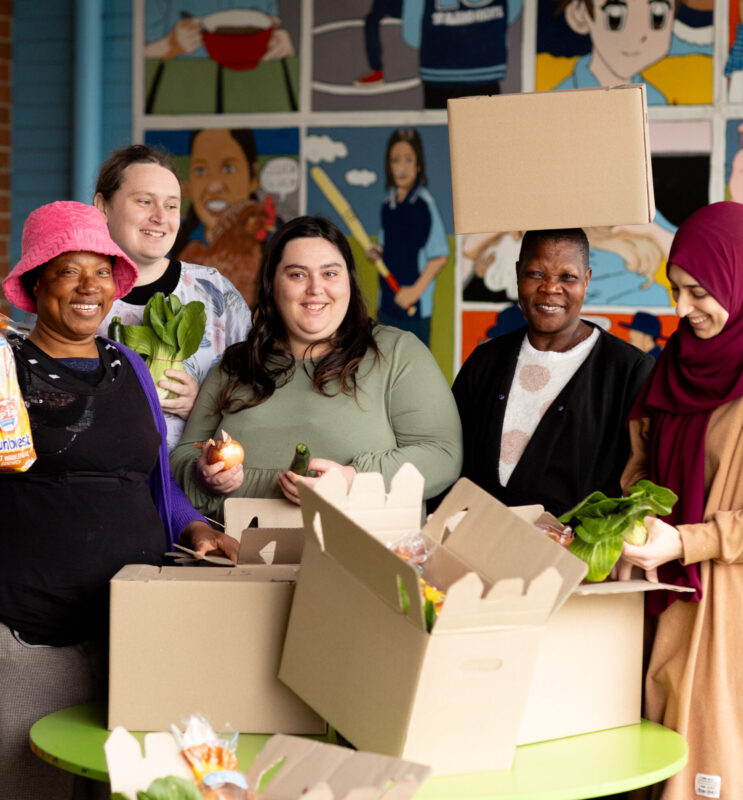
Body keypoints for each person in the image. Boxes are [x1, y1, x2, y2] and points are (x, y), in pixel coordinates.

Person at [0, 201, 238, 800]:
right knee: (30, 784)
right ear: (35, 284)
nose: (90, 287)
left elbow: (153, 481)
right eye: (68, 270)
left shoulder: (131, 365)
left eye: (102, 270)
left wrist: (194, 528)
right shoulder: (6, 370)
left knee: (131, 787)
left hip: (133, 631)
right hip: (31, 635)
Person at [617, 201, 743, 800]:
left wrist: (691, 540)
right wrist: (637, 516)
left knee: (712, 770)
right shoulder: (681, 356)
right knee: (652, 764)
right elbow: (645, 458)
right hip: (664, 590)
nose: (681, 309)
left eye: (699, 292)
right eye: (676, 289)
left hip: (737, 606)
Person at [170, 215, 463, 523]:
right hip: (238, 560)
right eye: (297, 275)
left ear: (348, 280)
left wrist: (353, 480)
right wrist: (204, 475)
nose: (315, 289)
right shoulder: (236, 364)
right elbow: (184, 456)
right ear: (272, 285)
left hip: (363, 561)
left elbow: (443, 456)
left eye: (330, 273)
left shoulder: (398, 353)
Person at [452, 228, 654, 516]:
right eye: (536, 274)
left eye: (567, 277)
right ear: (518, 274)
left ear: (586, 281)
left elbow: (641, 481)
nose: (550, 288)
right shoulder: (485, 361)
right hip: (479, 547)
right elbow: (453, 458)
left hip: (575, 556)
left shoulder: (630, 372)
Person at [93, 144, 252, 451]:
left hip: (193, 483)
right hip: (98, 487)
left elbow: (259, 389)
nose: (159, 217)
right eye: (144, 201)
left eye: (171, 206)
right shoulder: (76, 294)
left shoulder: (214, 291)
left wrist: (206, 404)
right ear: (103, 206)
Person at [172, 128, 279, 308]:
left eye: (228, 168)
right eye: (200, 170)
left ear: (253, 177)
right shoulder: (180, 249)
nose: (214, 185)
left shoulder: (274, 257)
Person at [366, 129, 448, 347]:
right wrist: (377, 253)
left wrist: (415, 291)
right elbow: (388, 247)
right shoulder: (388, 204)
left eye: (408, 159)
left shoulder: (424, 204)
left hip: (415, 308)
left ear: (418, 165)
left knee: (414, 369)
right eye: (395, 160)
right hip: (387, 303)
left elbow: (439, 256)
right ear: (389, 166)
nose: (401, 167)